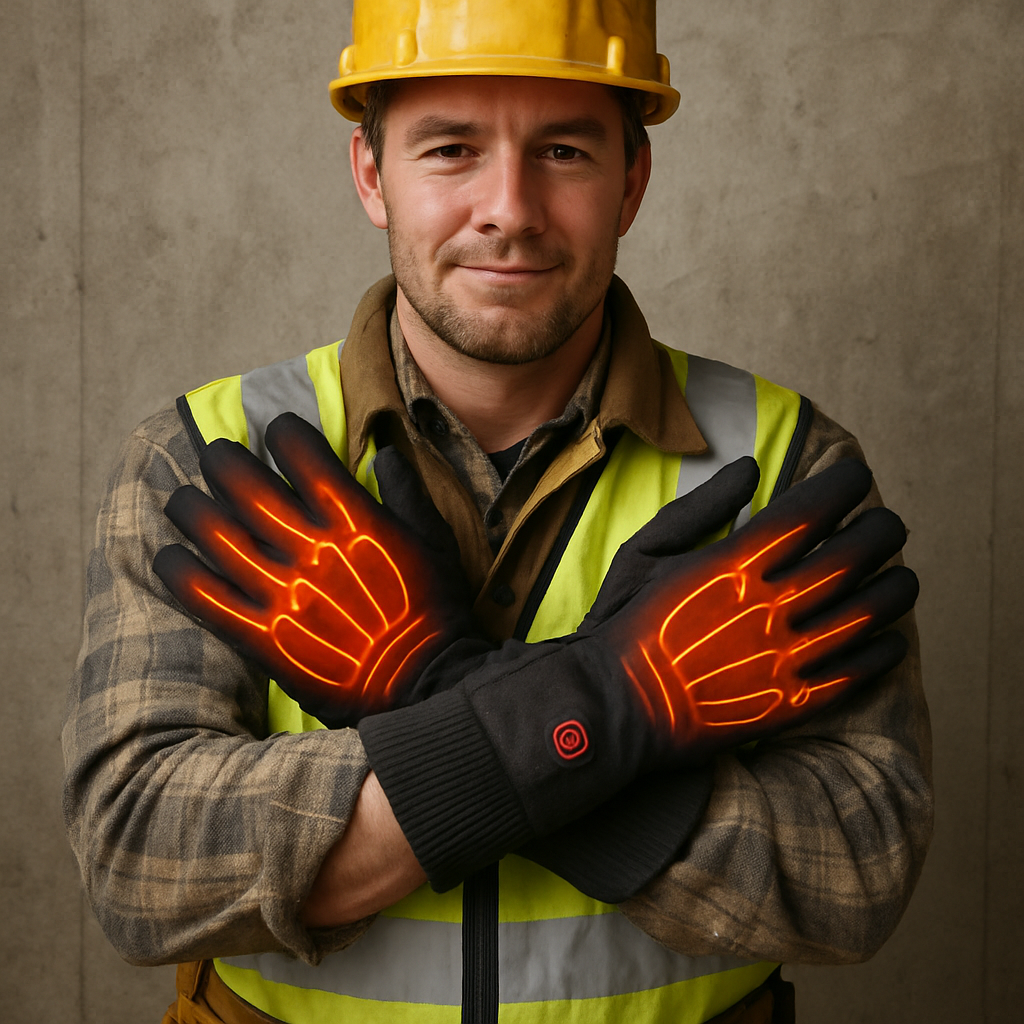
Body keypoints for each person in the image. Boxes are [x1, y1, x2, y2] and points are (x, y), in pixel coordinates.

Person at [62, 3, 932, 1023]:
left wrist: (447, 703)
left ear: (631, 182)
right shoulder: (203, 458)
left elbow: (856, 874)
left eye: (563, 150)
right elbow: (139, 860)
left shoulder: (786, 464)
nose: (508, 208)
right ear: (371, 175)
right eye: (450, 149)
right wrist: (603, 713)